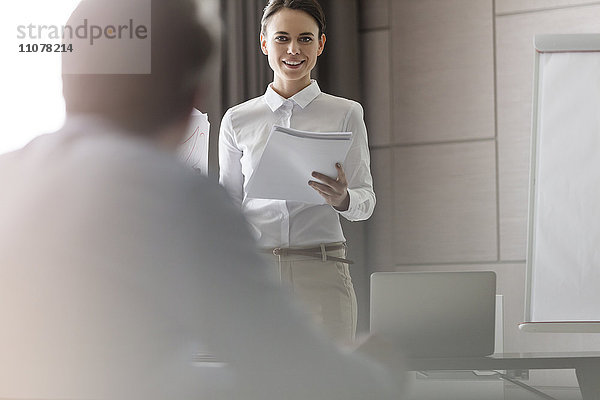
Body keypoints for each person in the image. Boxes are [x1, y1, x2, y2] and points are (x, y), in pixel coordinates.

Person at [0, 0, 403, 399]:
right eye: (282, 38)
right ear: (195, 95)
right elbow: (297, 372)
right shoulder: (180, 196)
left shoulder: (8, 176)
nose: (293, 49)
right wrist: (381, 372)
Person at [219, 0, 375, 345]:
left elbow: (366, 201)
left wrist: (343, 198)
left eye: (305, 39)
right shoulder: (237, 120)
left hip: (322, 269)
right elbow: (228, 202)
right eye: (282, 38)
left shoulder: (346, 113)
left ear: (320, 44)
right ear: (264, 43)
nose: (293, 49)